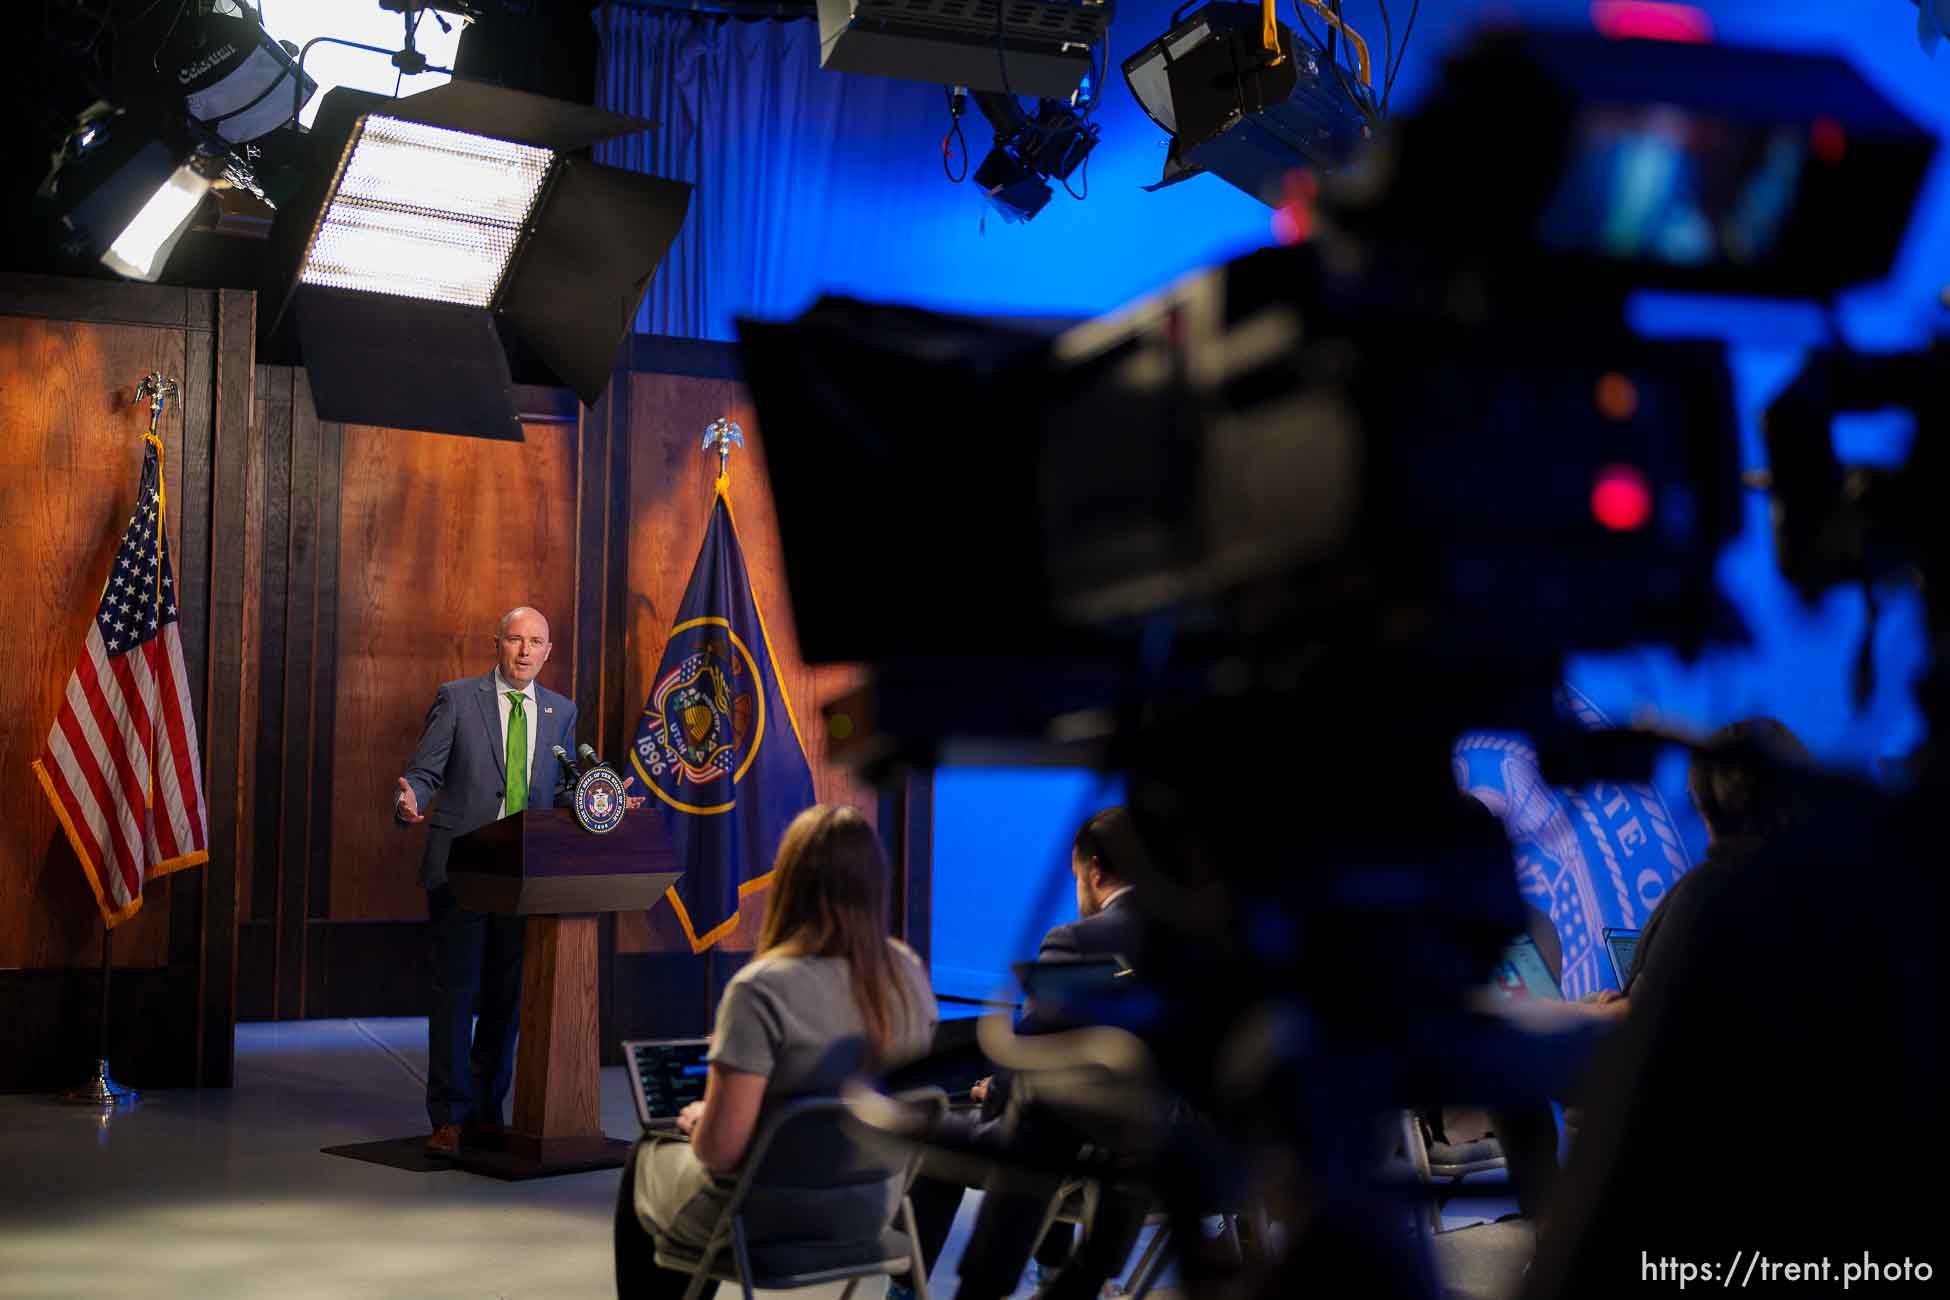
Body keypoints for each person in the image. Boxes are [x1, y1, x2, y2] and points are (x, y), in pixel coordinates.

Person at [616, 804, 938, 1300]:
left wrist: (703, 1119)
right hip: (873, 1211)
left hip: (764, 1220)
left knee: (646, 1158)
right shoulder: (910, 974)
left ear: (789, 883)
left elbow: (720, 1153)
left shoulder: (761, 990)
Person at [903, 806, 1148, 1299]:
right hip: (1158, 1165)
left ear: (1094, 871)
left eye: (1078, 877)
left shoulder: (1077, 940)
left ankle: (904, 1293)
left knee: (943, 1139)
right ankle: (1055, 1273)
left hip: (1077, 1150)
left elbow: (1031, 1052)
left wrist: (994, 1090)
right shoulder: (1195, 943)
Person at [394, 605, 578, 1158]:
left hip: (525, 876)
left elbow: (563, 790)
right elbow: (425, 773)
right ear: (496, 644)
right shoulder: (457, 697)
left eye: (536, 642)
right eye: (515, 640)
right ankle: (448, 1118)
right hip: (463, 869)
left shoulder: (562, 711)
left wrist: (604, 805)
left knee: (506, 998)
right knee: (456, 994)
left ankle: (487, 1113)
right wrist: (411, 802)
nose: (525, 651)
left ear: (548, 651)